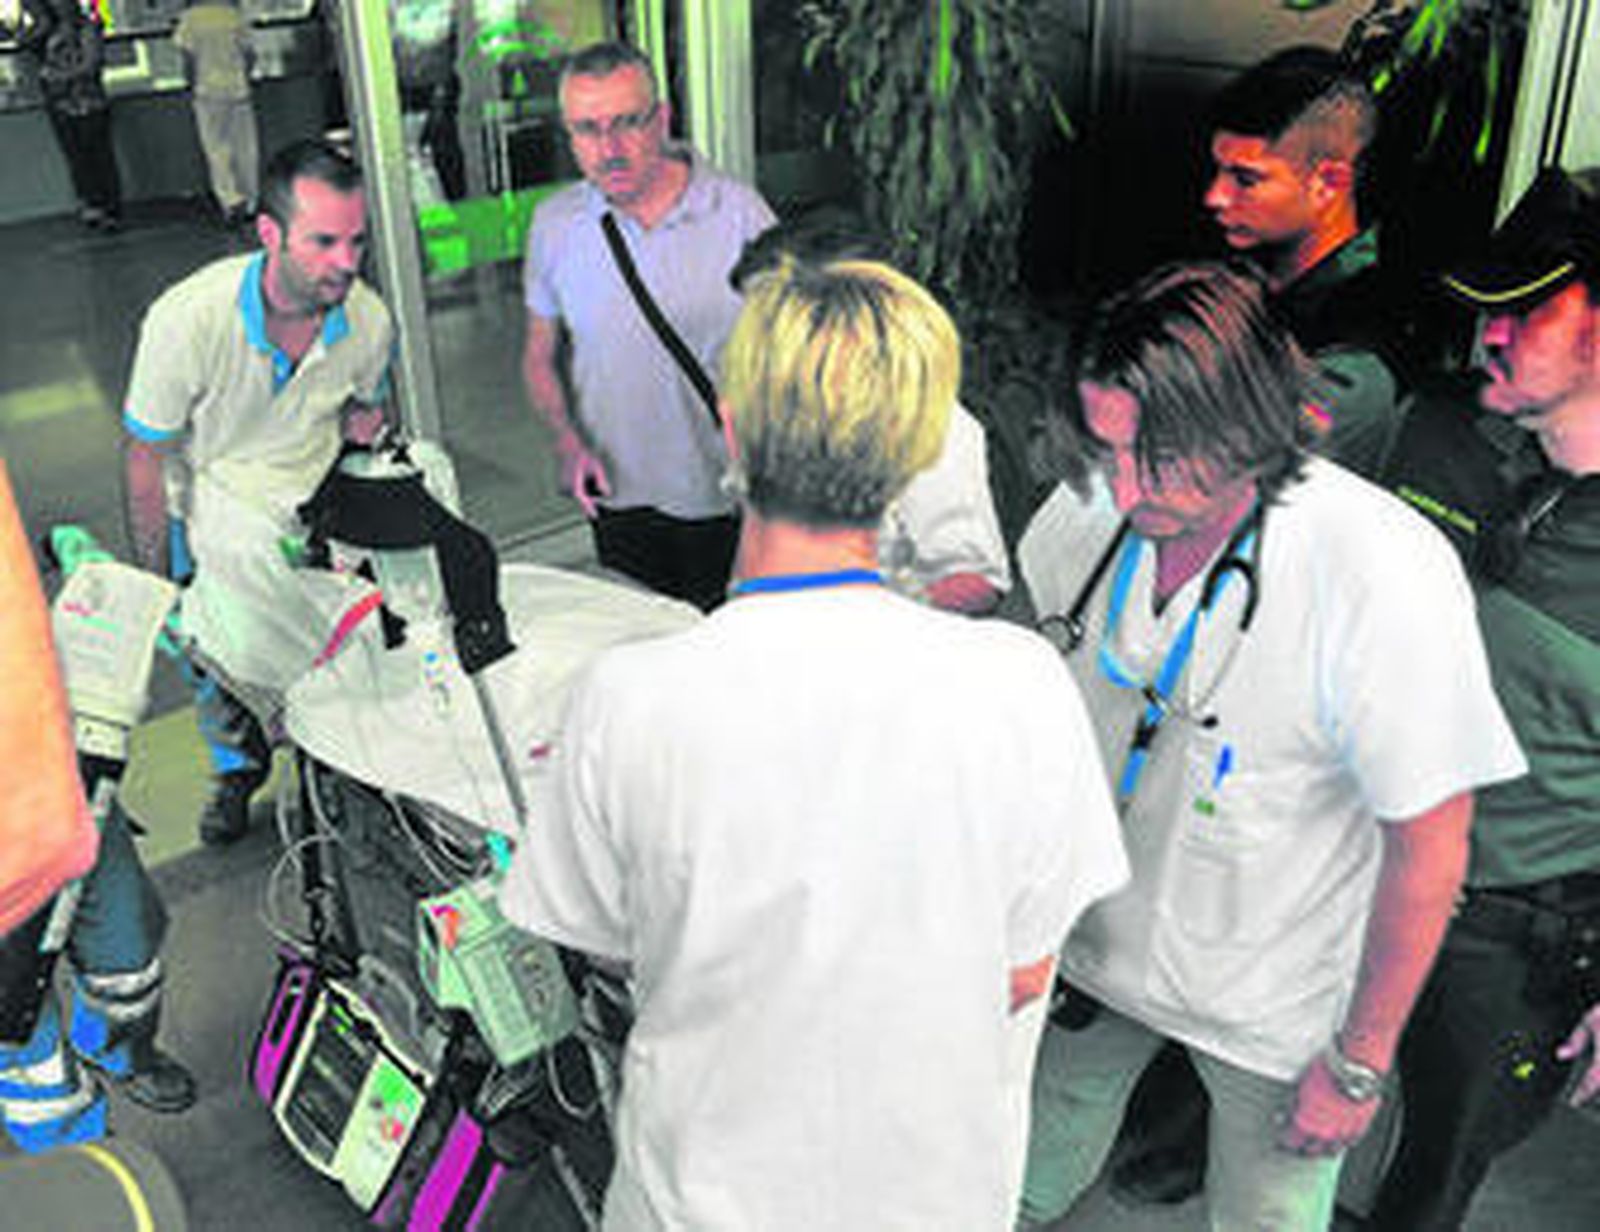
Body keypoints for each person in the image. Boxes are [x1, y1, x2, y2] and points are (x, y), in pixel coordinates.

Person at [499, 257, 1129, 1229]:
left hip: (696, 1201)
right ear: (921, 449)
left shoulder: (629, 700)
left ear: (732, 424)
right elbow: (1022, 970)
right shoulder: (1022, 689)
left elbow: (603, 943)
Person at [1015, 260, 1526, 1230]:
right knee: (1013, 1178)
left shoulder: (1378, 569)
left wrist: (1360, 1059)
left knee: (1269, 1215)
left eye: (1155, 460)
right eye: (1104, 446)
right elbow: (1017, 695)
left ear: (1248, 428)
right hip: (1087, 947)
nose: (1121, 488)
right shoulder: (1089, 506)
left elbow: (1429, 841)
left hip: (1275, 998)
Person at [1366, 166, 1600, 1230]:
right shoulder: (1436, 435)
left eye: (1526, 308)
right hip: (1345, 872)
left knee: (1421, 1190)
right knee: (1289, 1125)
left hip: (1505, 951)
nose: (1488, 333)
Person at [122, 139, 393, 845]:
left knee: (322, 646)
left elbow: (363, 412)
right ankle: (236, 772)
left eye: (357, 241)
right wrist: (157, 586)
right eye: (324, 241)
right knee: (218, 660)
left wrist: (371, 440)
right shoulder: (187, 321)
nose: (347, 262)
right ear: (269, 234)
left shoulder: (367, 321)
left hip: (306, 500)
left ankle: (330, 758)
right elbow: (145, 459)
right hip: (206, 504)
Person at [521, 40, 775, 612]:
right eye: (586, 130)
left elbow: (795, 351)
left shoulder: (740, 213)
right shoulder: (555, 225)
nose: (608, 149)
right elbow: (540, 354)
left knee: (727, 662)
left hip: (727, 497)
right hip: (618, 496)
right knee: (643, 647)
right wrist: (566, 441)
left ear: (661, 119)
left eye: (626, 123)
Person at [0, 461, 196, 1149]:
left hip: (57, 783)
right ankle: (82, 1161)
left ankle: (121, 1049)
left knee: (129, 957)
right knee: (26, 1053)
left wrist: (53, 552)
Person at [727, 207, 1012, 613]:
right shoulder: (779, 404)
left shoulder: (935, 425)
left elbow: (976, 582)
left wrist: (867, 635)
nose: (759, 337)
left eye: (772, 318)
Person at [1204, 45, 1404, 478]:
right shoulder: (1244, 271)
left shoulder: (1355, 349)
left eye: (1245, 179)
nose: (1215, 197)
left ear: (1328, 183)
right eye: (1218, 171)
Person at [7, 0, 122, 231]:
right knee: (79, 157)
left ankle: (107, 207)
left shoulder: (85, 29)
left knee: (97, 156)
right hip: (65, 102)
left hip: (85, 101)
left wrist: (59, 77)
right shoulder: (56, 31)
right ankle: (94, 204)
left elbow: (92, 64)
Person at [172, 0, 259, 227]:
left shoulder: (190, 18)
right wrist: (244, 77)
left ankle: (231, 201)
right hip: (238, 89)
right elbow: (250, 55)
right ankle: (251, 201)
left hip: (207, 91)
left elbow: (189, 59)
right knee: (245, 147)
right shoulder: (234, 14)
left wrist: (190, 86)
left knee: (216, 148)